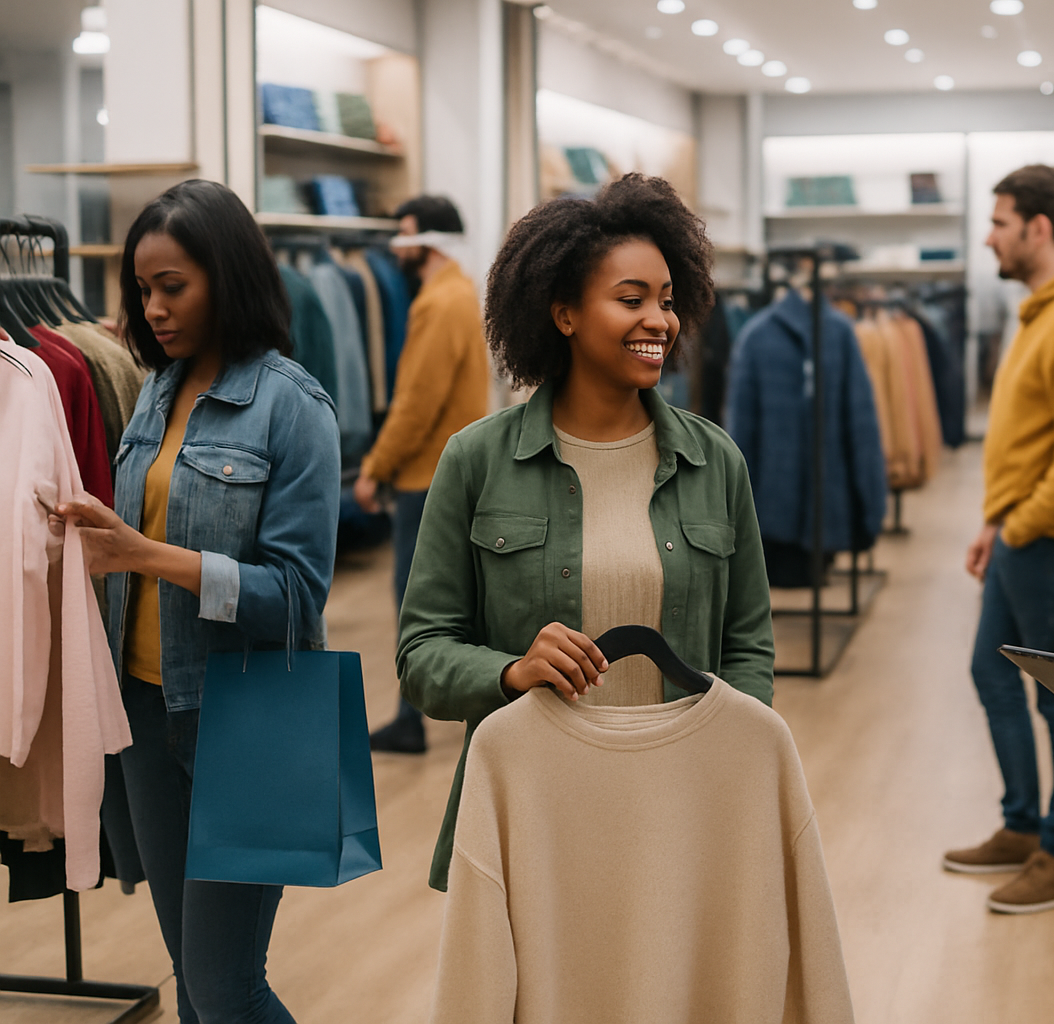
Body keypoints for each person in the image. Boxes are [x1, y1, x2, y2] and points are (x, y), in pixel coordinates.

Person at [396, 172, 776, 892]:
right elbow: (422, 656)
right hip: (539, 803)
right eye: (630, 300)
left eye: (667, 301)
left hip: (682, 801)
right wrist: (511, 670)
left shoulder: (713, 460)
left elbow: (749, 644)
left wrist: (727, 746)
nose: (659, 321)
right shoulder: (477, 460)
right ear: (564, 313)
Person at [54, 179, 340, 1024]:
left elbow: (293, 597)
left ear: (227, 275)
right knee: (195, 977)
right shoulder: (155, 387)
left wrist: (148, 554)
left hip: (250, 719)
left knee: (224, 986)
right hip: (146, 710)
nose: (153, 308)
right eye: (143, 290)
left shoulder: (293, 406)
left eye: (172, 286)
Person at [943, 165, 1054, 914]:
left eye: (999, 221)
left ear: (1038, 228)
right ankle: (1023, 826)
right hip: (1022, 537)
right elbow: (1027, 443)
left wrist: (1018, 526)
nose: (989, 235)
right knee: (991, 674)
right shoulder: (1041, 313)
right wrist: (995, 525)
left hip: (1051, 543)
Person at [355, 195, 489, 754]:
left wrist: (373, 468)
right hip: (451, 474)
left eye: (402, 233)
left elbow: (416, 403)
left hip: (425, 478)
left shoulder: (438, 304)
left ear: (427, 241)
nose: (393, 246)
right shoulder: (461, 294)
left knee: (416, 600)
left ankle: (412, 720)